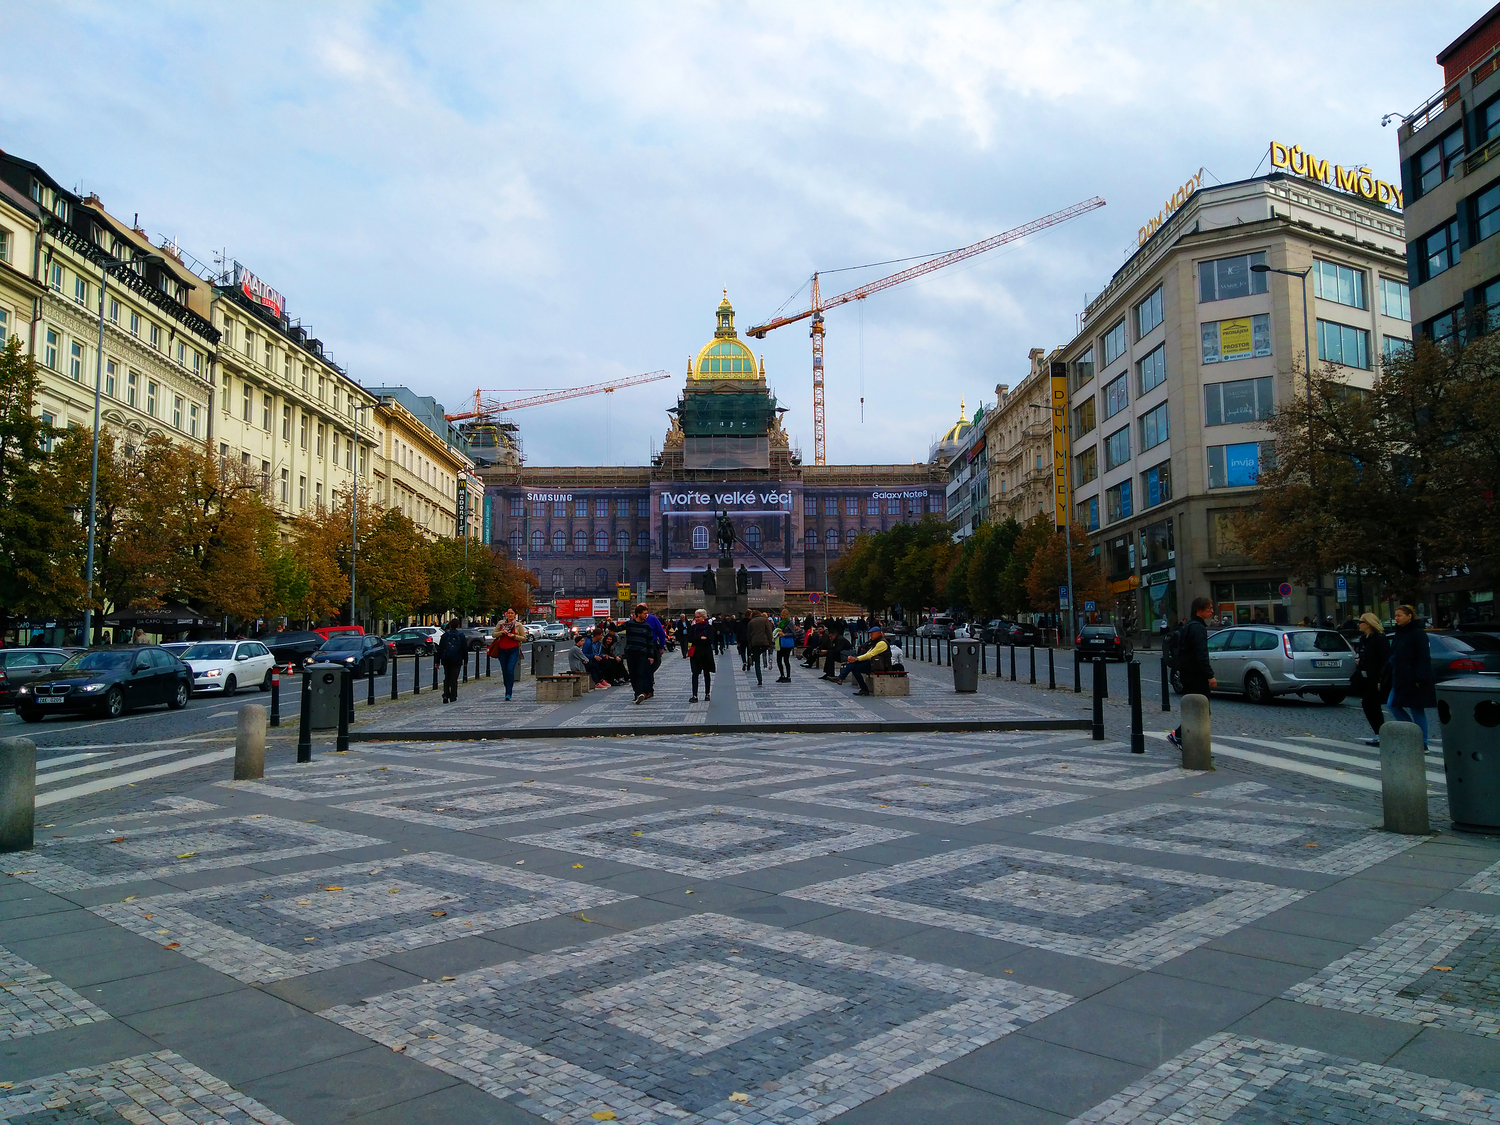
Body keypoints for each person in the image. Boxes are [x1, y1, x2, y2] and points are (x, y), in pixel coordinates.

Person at [1166, 596, 1217, 749]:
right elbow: (1201, 654)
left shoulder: (1189, 626)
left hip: (1188, 673)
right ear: (1199, 610)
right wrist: (1210, 675)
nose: (1212, 611)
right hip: (1196, 675)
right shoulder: (1197, 628)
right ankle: (1181, 736)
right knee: (1201, 710)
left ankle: (1189, 742)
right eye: (1209, 608)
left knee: (1198, 709)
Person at [1387, 604, 1435, 746]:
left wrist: (1420, 676)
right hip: (1400, 677)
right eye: (1395, 615)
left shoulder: (1418, 633)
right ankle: (1412, 732)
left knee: (1416, 709)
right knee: (1392, 705)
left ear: (1409, 616)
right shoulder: (1399, 633)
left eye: (1399, 615)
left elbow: (1423, 656)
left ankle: (1422, 741)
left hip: (1414, 678)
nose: (1396, 618)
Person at [1354, 612, 1390, 746]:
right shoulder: (1364, 638)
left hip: (1376, 677)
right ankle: (1379, 733)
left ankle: (1381, 733)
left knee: (1370, 704)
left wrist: (1381, 678)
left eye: (1361, 622)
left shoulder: (1380, 639)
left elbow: (1384, 660)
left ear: (1368, 624)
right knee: (1369, 704)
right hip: (1364, 676)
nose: (1359, 624)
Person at [622, 603, 666, 703]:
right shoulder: (630, 623)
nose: (646, 614)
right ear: (638, 613)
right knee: (635, 673)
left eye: (647, 612)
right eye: (644, 612)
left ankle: (647, 690)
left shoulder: (651, 621)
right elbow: (618, 628)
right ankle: (640, 693)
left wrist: (660, 647)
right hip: (632, 651)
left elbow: (659, 634)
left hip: (648, 648)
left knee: (645, 670)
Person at [835, 626, 892, 695]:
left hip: (881, 665)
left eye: (872, 633)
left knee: (854, 667)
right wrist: (855, 659)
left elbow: (870, 654)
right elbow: (868, 653)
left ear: (878, 633)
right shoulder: (875, 642)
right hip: (874, 663)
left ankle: (841, 678)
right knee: (854, 667)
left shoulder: (882, 643)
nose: (871, 635)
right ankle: (862, 688)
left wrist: (856, 659)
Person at [487, 609, 525, 701]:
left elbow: (524, 638)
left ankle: (509, 692)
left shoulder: (518, 625)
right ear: (506, 614)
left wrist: (514, 636)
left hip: (513, 650)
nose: (510, 615)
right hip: (502, 650)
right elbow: (494, 634)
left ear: (515, 614)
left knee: (510, 670)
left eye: (512, 613)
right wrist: (501, 632)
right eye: (509, 613)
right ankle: (507, 688)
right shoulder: (501, 624)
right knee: (504, 671)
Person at [685, 608, 715, 702]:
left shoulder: (709, 628)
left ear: (704, 617)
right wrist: (700, 638)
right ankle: (694, 695)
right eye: (696, 617)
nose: (696, 619)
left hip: (706, 654)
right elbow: (689, 638)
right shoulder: (694, 628)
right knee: (695, 674)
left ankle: (707, 694)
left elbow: (709, 640)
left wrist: (697, 639)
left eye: (698, 617)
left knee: (707, 673)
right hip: (695, 654)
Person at [437, 620, 468, 703]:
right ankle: (453, 696)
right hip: (457, 659)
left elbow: (440, 649)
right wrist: (465, 660)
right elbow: (465, 649)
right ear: (458, 625)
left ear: (449, 626)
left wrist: (437, 661)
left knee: (447, 677)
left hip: (446, 659)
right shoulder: (461, 636)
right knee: (454, 678)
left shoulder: (445, 635)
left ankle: (446, 694)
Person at [746, 609, 774, 686]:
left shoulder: (751, 622)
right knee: (764, 653)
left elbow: (748, 636)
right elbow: (769, 632)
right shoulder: (765, 620)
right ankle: (768, 663)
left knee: (757, 662)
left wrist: (750, 646)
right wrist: (770, 644)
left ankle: (759, 679)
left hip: (755, 644)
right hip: (764, 643)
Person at [774, 615, 795, 682]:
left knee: (786, 660)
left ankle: (788, 677)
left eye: (784, 615)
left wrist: (785, 634)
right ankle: (782, 675)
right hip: (780, 643)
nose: (783, 616)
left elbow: (793, 634)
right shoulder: (781, 622)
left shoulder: (790, 623)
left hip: (786, 644)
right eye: (782, 615)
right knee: (779, 660)